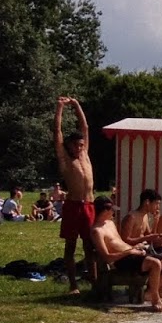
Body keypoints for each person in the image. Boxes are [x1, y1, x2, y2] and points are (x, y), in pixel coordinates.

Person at [89, 197, 162, 312]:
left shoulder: (110, 223)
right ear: (104, 211)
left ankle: (154, 290)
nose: (114, 213)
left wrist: (134, 248)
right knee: (155, 263)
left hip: (132, 253)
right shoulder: (96, 231)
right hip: (121, 260)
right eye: (112, 210)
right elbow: (107, 257)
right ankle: (155, 298)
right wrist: (129, 251)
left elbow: (120, 242)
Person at [54, 96, 95, 294]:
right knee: (70, 246)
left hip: (89, 204)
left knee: (90, 245)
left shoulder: (85, 155)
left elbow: (85, 127)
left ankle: (95, 281)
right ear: (69, 145)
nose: (79, 148)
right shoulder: (65, 159)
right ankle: (73, 284)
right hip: (73, 205)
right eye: (76, 145)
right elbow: (57, 133)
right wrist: (60, 108)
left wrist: (77, 104)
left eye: (81, 145)